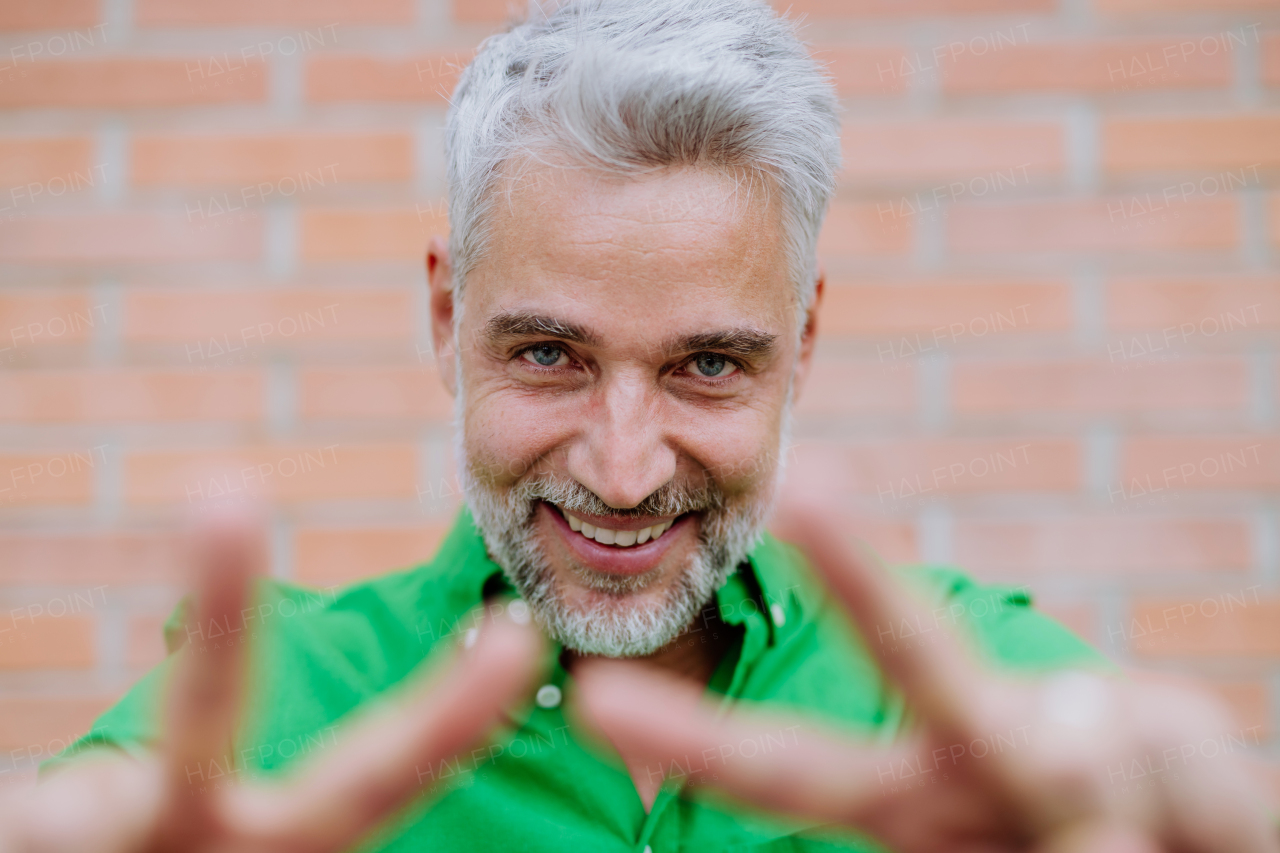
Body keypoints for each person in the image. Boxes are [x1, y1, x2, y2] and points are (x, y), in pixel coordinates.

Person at [3, 1, 1275, 851]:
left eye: (707, 365)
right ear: (448, 316)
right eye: (548, 354)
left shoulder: (979, 720)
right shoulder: (261, 725)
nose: (621, 469)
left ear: (806, 343)